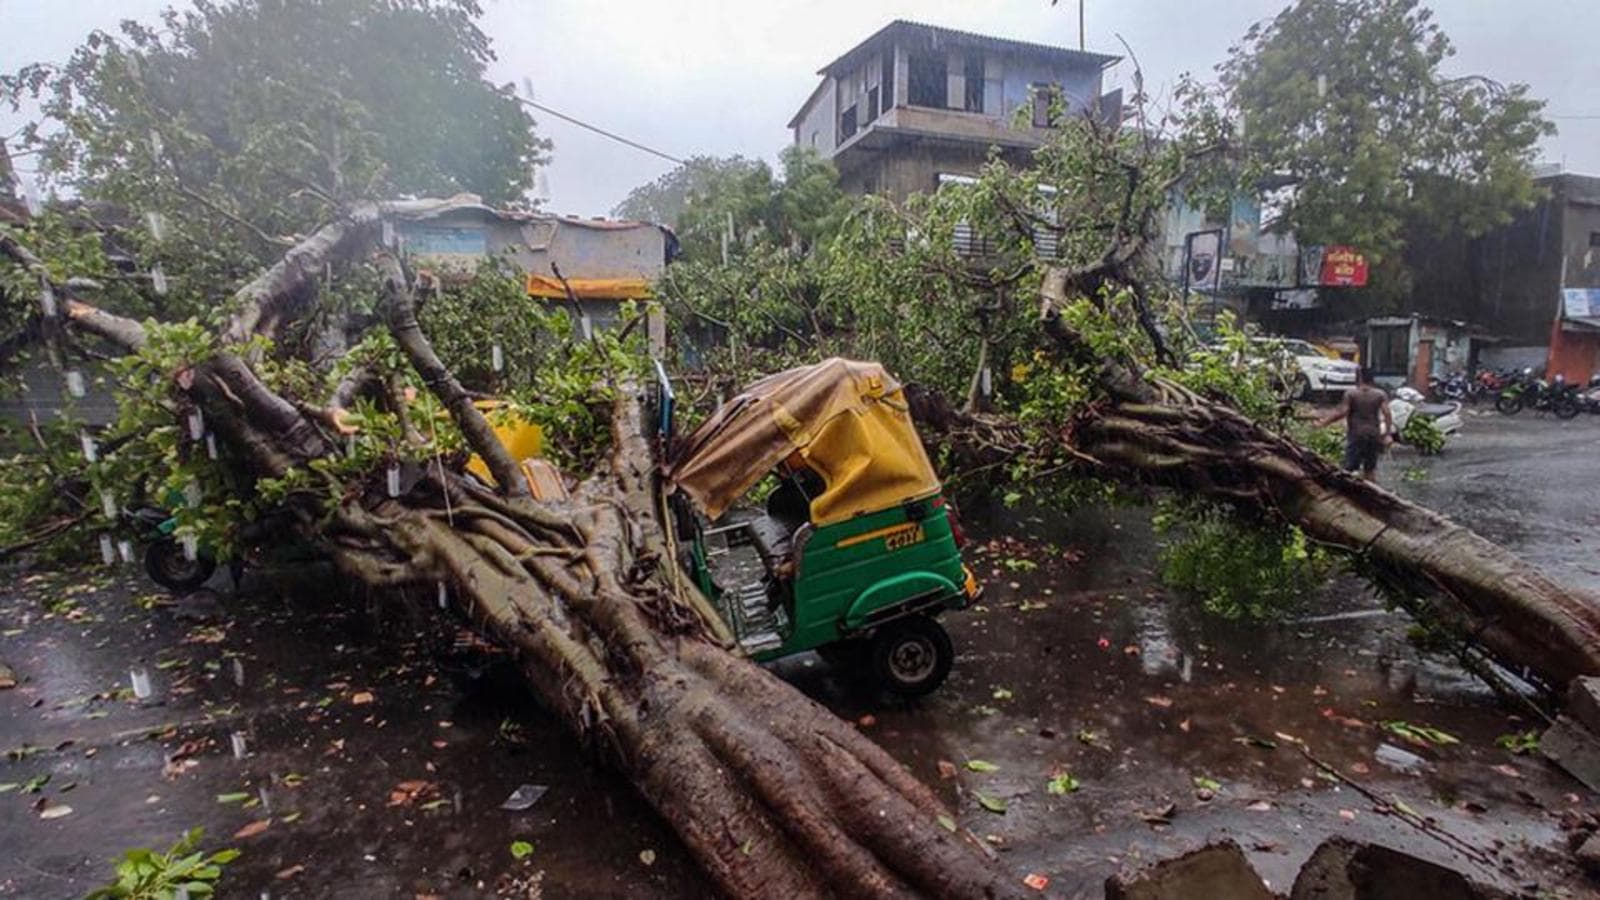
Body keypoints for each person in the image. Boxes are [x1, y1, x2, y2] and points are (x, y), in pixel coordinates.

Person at [1316, 369, 1393, 481]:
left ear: (1359, 378)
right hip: (1373, 434)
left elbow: (1343, 412)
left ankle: (1347, 493)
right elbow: (1387, 414)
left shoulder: (1351, 394)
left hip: (1356, 434)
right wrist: (1387, 434)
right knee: (1370, 469)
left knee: (1349, 468)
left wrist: (1324, 422)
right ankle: (1372, 494)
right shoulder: (1380, 394)